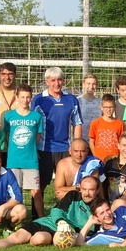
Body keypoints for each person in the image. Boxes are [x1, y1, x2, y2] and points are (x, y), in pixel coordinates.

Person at [0, 176, 100, 250]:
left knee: (39, 239)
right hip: (46, 222)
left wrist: (73, 232)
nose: (87, 193)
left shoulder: (99, 207)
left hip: (58, 233)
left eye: (91, 190)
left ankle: (24, 237)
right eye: (84, 189)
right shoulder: (73, 195)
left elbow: (95, 230)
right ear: (80, 188)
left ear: (97, 190)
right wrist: (61, 222)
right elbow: (56, 210)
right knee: (16, 238)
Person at [31, 67, 83, 207]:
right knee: (40, 186)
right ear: (47, 81)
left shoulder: (71, 99)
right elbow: (33, 125)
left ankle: (69, 213)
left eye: (59, 80)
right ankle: (37, 217)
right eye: (53, 80)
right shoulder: (38, 100)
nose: (56, 83)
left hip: (65, 149)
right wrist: (33, 147)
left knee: (69, 185)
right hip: (44, 149)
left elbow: (77, 123)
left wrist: (76, 146)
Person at [3, 84, 45, 219]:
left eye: (27, 97)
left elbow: (37, 137)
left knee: (36, 192)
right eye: (22, 97)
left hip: (30, 160)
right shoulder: (9, 116)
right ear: (17, 97)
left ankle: (41, 220)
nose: (25, 100)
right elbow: (7, 136)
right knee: (15, 193)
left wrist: (29, 148)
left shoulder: (36, 117)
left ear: (31, 98)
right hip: (14, 160)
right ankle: (16, 220)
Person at [89, 94, 124, 161]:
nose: (108, 110)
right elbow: (91, 142)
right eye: (106, 107)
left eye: (111, 107)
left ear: (115, 107)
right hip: (100, 159)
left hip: (114, 159)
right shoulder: (95, 123)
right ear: (101, 107)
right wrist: (95, 157)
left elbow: (121, 142)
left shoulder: (119, 124)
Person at [77, 73, 102, 142]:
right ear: (83, 84)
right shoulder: (77, 101)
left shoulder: (100, 102)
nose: (91, 86)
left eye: (94, 84)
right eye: (88, 83)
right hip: (81, 141)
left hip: (96, 141)